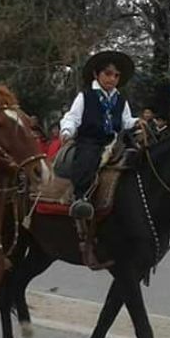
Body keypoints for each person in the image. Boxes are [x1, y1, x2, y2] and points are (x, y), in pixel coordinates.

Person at [60, 50, 138, 267]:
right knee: (87, 159)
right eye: (108, 74)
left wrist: (138, 123)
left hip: (114, 142)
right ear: (97, 74)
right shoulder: (86, 96)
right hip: (90, 141)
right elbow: (72, 117)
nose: (112, 79)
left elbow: (126, 121)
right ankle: (80, 197)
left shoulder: (121, 100)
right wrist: (67, 131)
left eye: (116, 76)